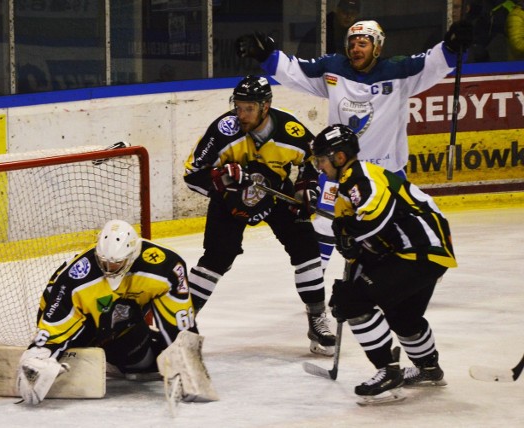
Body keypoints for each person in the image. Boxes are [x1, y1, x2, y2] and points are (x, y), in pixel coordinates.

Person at [236, 19, 472, 272]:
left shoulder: (401, 72)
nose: (356, 48)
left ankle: (416, 273)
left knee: (403, 226)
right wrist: (268, 56)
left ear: (378, 47)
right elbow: (297, 72)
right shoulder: (334, 69)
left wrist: (452, 46)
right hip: (340, 171)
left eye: (363, 43)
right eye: (352, 43)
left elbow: (434, 64)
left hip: (387, 172)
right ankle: (314, 290)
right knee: (324, 226)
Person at [183, 75, 336, 356]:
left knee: (307, 249)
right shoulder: (222, 130)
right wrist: (221, 179)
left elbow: (313, 160)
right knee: (216, 259)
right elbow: (192, 174)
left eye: (248, 108)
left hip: (276, 192)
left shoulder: (289, 129)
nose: (241, 115)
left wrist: (306, 188)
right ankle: (178, 325)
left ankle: (317, 319)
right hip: (229, 202)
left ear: (266, 106)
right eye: (238, 107)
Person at [310, 124, 457, 403]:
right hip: (425, 252)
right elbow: (358, 242)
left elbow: (374, 220)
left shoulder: (360, 178)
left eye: (322, 159)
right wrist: (351, 250)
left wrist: (348, 236)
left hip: (419, 251)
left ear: (339, 157)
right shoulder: (348, 185)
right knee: (403, 316)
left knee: (353, 303)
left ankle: (387, 371)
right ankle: (429, 369)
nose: (319, 166)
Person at [16, 219, 216, 404]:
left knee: (142, 363)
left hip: (119, 324)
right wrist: (37, 357)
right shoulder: (76, 278)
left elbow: (179, 319)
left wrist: (186, 361)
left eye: (115, 263)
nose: (109, 268)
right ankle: (89, 351)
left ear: (132, 255)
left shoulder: (166, 266)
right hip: (82, 327)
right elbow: (54, 321)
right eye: (104, 262)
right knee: (119, 313)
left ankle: (121, 357)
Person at [297, 0, 362, 57]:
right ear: (337, 11)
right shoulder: (319, 33)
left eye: (353, 13)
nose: (348, 16)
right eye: (345, 12)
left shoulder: (355, 35)